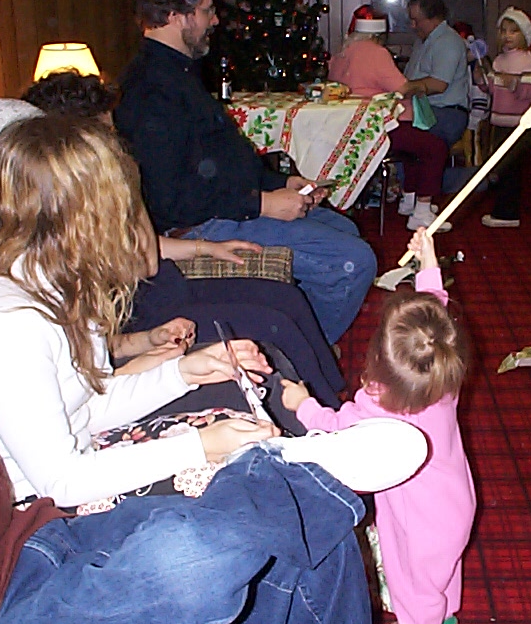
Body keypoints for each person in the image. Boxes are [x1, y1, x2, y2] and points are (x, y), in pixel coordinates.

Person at [0, 113, 427, 624]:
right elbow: (62, 479)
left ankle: (291, 472)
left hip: (69, 490)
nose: (134, 225)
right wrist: (199, 445)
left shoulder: (52, 288)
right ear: (79, 220)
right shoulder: (6, 321)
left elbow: (86, 407)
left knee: (316, 539)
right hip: (33, 525)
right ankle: (290, 465)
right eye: (120, 209)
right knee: (246, 529)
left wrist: (184, 373)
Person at [23, 72, 347, 401]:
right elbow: (144, 261)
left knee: (286, 298)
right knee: (273, 324)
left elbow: (143, 248)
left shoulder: (90, 191)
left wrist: (204, 248)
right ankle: (321, 416)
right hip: (142, 314)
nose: (116, 138)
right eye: (107, 132)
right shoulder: (67, 206)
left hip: (165, 288)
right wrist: (127, 182)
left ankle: (332, 401)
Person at [114, 0, 377, 344]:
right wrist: (262, 204)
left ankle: (296, 332)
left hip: (226, 207)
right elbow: (170, 201)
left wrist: (282, 183)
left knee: (345, 230)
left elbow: (218, 162)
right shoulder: (152, 90)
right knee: (354, 261)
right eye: (207, 11)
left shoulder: (177, 72)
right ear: (176, 16)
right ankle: (303, 353)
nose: (215, 20)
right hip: (202, 225)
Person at [281, 227, 474, 624]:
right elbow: (435, 321)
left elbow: (335, 430)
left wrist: (302, 404)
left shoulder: (378, 405)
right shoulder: (444, 378)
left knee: (413, 588)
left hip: (417, 521)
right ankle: (445, 620)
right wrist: (428, 264)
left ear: (377, 358)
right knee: (443, 571)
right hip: (456, 505)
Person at [328, 5, 451, 232]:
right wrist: (423, 86)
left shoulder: (340, 54)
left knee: (416, 145)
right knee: (435, 147)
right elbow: (401, 87)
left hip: (351, 126)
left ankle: (410, 201)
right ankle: (421, 212)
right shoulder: (376, 53)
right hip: (378, 126)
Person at [477, 7, 531, 229]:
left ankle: (507, 213)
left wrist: (511, 82)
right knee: (501, 166)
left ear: (524, 34)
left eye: (513, 31)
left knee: (510, 168)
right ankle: (502, 206)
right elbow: (492, 89)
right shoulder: (499, 60)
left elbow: (528, 93)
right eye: (504, 30)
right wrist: (482, 80)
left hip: (517, 124)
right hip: (498, 121)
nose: (507, 35)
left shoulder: (528, 61)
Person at [402, 0, 471, 150]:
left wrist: (404, 88)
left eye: (416, 21)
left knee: (398, 131)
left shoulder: (449, 41)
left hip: (447, 114)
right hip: (426, 110)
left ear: (433, 19)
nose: (413, 25)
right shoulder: (422, 42)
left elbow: (438, 84)